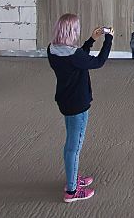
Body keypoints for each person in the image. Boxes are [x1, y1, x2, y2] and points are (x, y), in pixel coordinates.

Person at [47, 14, 113, 203]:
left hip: (65, 101)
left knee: (71, 143)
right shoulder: (74, 55)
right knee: (73, 148)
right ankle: (72, 191)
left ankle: (73, 177)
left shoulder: (52, 50)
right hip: (78, 104)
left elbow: (78, 59)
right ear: (72, 31)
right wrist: (109, 39)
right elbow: (98, 62)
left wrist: (91, 40)